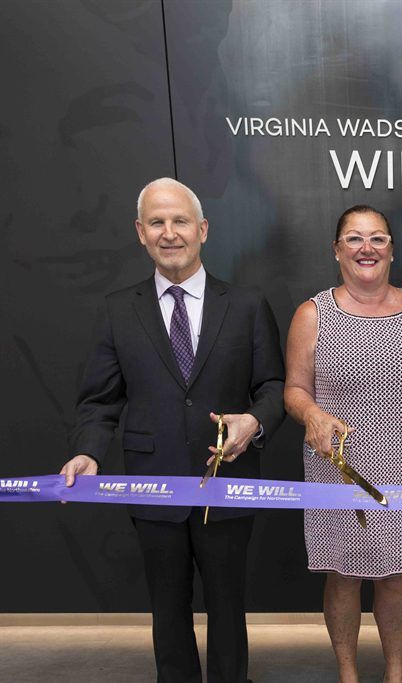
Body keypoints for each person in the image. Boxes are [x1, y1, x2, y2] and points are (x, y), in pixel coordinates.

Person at [59, 177, 286, 683]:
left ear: (202, 229)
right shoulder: (119, 309)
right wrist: (89, 452)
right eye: (157, 222)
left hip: (225, 480)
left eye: (180, 221)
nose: (169, 233)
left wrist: (254, 422)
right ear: (140, 232)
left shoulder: (246, 304)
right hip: (151, 481)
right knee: (167, 604)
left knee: (228, 603)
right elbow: (99, 400)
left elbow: (272, 385)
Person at [284, 205, 402, 683]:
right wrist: (312, 413)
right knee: (343, 574)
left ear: (392, 250)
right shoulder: (312, 313)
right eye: (354, 238)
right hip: (337, 465)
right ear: (336, 250)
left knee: (396, 574)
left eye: (377, 238)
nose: (366, 248)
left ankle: (396, 672)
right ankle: (348, 674)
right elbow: (293, 389)